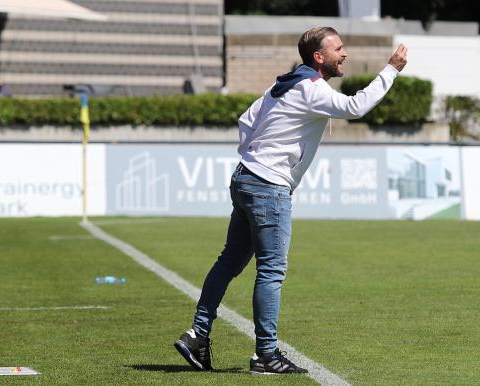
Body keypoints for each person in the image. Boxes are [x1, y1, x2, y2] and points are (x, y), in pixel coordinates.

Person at [174, 26, 408, 374]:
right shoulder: (312, 88)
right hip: (268, 187)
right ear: (319, 57)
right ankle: (266, 355)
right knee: (270, 272)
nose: (344, 54)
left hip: (246, 178)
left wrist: (254, 156)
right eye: (338, 48)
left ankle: (198, 334)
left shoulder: (281, 84)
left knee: (229, 262)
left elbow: (246, 121)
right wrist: (390, 70)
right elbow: (356, 106)